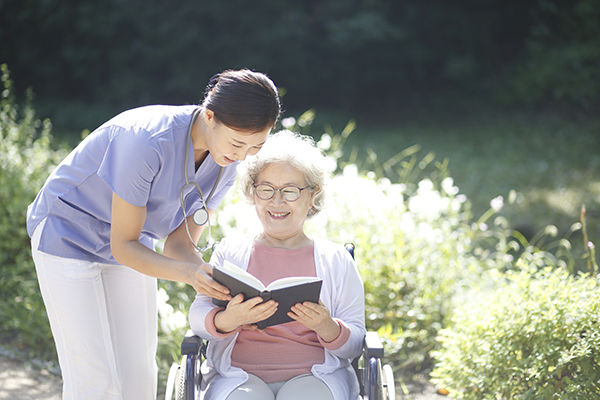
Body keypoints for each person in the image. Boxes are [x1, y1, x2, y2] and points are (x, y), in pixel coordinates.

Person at [26, 69, 281, 400]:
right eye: (237, 143)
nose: (243, 155)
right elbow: (124, 247)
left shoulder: (227, 162)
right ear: (209, 116)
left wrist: (211, 276)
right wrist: (191, 274)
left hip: (133, 242)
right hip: (67, 233)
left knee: (139, 378)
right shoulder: (147, 140)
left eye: (255, 146)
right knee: (94, 378)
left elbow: (179, 245)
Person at [189, 130, 366, 400]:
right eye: (266, 189)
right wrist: (229, 319)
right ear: (253, 193)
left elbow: (355, 345)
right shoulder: (229, 253)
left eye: (290, 191)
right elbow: (197, 317)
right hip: (238, 375)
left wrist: (327, 326)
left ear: (311, 195)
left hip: (315, 375)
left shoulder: (336, 260)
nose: (277, 201)